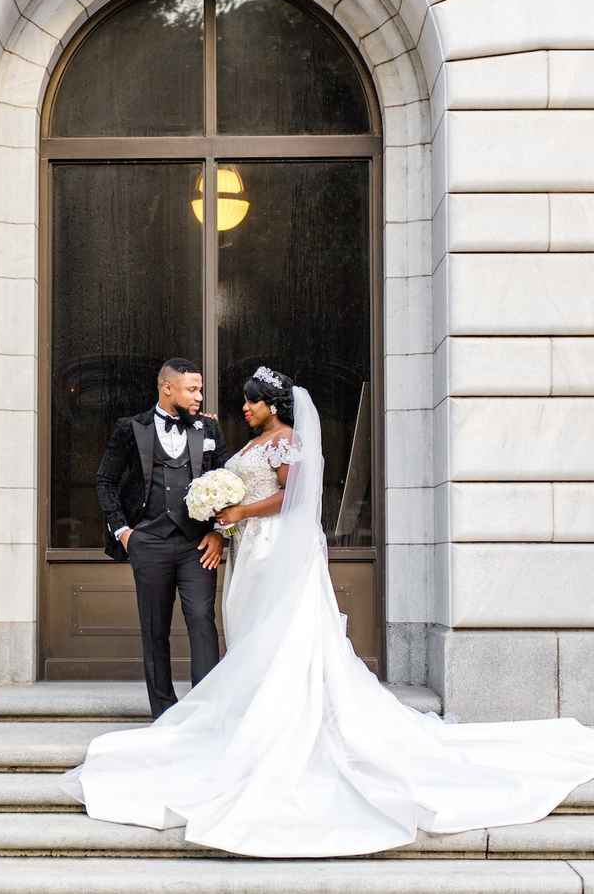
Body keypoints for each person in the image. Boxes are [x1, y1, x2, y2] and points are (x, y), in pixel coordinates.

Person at [62, 367, 594, 858]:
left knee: (279, 638)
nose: (239, 408)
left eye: (249, 402)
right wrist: (219, 526)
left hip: (273, 553)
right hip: (244, 552)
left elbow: (293, 498)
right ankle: (242, 717)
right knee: (248, 639)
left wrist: (240, 511)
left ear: (270, 404)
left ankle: (277, 727)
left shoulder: (288, 443)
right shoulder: (248, 442)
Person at [96, 357, 227, 718]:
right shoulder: (130, 428)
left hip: (195, 545)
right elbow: (105, 481)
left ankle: (205, 712)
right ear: (167, 387)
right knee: (154, 628)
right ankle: (164, 714)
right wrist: (123, 531)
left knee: (202, 620)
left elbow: (226, 483)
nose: (199, 396)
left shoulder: (210, 430)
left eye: (200, 389)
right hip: (148, 542)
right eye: (192, 389)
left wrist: (218, 532)